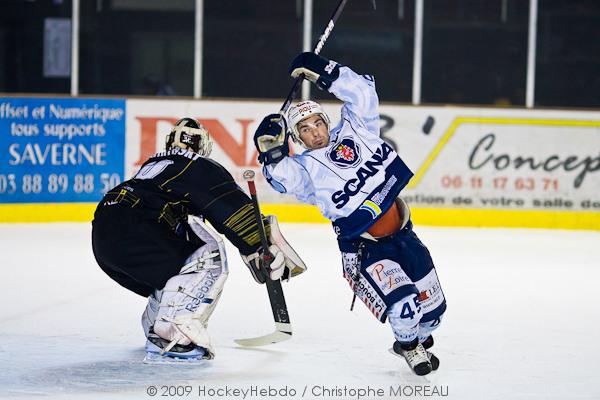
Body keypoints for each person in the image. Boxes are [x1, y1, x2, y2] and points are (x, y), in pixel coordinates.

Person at [253, 53, 447, 376]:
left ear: (327, 122)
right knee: (404, 305)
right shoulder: (306, 171)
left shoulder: (358, 129)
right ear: (297, 139)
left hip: (405, 236)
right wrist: (270, 149)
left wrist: (325, 71)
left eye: (318, 123)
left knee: (434, 314)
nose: (315, 132)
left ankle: (415, 337)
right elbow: (280, 175)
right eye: (305, 129)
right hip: (365, 250)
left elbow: (363, 93)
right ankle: (410, 345)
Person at [92, 118, 305, 363]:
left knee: (183, 260)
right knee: (207, 256)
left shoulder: (155, 165)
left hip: (105, 235)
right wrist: (259, 244)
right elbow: (227, 204)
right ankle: (173, 333)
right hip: (138, 227)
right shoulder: (196, 164)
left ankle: (156, 325)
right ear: (201, 144)